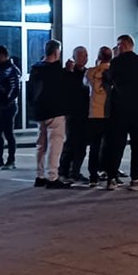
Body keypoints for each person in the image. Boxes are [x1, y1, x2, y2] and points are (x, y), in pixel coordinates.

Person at [102, 34, 138, 190]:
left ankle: (112, 177)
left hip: (120, 109)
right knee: (137, 146)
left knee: (117, 145)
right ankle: (135, 177)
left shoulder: (116, 62)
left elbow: (111, 79)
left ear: (122, 45)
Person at [28, 40, 71, 189]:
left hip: (40, 111)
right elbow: (64, 88)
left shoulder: (35, 68)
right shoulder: (56, 70)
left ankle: (39, 176)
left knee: (41, 144)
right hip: (55, 111)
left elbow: (31, 91)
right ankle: (52, 176)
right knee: (55, 144)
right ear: (56, 52)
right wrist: (68, 71)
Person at [57, 46, 91, 183]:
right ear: (75, 57)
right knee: (71, 144)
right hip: (72, 113)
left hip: (85, 113)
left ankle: (75, 172)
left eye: (86, 55)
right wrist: (68, 72)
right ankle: (63, 171)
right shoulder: (68, 73)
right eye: (82, 56)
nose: (85, 58)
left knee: (81, 145)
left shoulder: (88, 73)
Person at [0, 45, 21, 169]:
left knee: (8, 133)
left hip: (7, 107)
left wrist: (7, 102)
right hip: (0, 105)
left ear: (3, 55)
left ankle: (11, 160)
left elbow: (15, 88)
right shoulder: (1, 69)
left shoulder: (11, 70)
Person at [84, 46, 112, 187]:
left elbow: (85, 84)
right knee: (109, 146)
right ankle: (109, 174)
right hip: (109, 113)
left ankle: (93, 177)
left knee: (94, 146)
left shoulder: (90, 72)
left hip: (94, 113)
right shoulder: (113, 71)